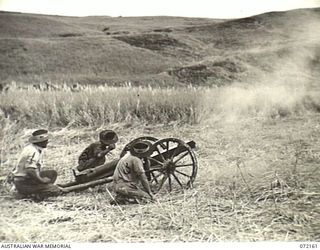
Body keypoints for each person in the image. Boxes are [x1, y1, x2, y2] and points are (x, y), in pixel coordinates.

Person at [11, 129, 63, 199]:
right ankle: (35, 194)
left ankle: (40, 189)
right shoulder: (34, 152)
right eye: (45, 140)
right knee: (55, 190)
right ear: (40, 142)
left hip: (23, 180)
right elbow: (30, 170)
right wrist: (41, 180)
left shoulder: (30, 148)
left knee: (52, 173)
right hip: (24, 182)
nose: (47, 142)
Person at [112, 141, 155, 205]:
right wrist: (150, 192)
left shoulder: (128, 155)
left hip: (118, 185)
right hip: (125, 186)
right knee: (147, 198)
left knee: (139, 193)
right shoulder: (136, 160)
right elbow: (143, 178)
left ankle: (124, 196)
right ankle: (124, 200)